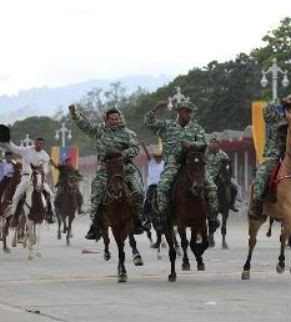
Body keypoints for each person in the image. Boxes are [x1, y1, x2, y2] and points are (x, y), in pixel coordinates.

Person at [69, 105, 144, 240]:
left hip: (125, 169)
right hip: (105, 169)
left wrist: (125, 153)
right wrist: (75, 114)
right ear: (106, 120)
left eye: (117, 119)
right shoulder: (99, 131)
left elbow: (135, 148)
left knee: (138, 191)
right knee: (97, 193)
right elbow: (86, 126)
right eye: (112, 119)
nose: (115, 121)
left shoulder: (128, 134)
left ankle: (139, 220)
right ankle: (95, 226)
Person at [144, 98, 218, 230]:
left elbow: (203, 144)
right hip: (174, 163)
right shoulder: (167, 126)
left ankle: (212, 218)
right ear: (178, 112)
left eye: (191, 112)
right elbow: (148, 123)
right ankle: (164, 217)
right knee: (162, 187)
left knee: (212, 188)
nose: (189, 114)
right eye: (187, 111)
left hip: (193, 165)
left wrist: (192, 145)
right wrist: (156, 108)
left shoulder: (197, 128)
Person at [250, 94, 291, 219]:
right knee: (262, 173)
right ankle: (257, 203)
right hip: (274, 153)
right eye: (290, 107)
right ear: (285, 107)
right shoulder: (277, 117)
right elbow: (266, 111)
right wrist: (281, 100)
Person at [1, 136, 55, 223]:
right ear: (34, 143)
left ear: (43, 145)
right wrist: (8, 141)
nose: (39, 145)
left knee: (51, 195)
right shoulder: (27, 150)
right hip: (26, 177)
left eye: (41, 144)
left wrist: (41, 173)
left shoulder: (45, 155)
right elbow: (15, 148)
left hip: (39, 178)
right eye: (37, 143)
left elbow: (46, 169)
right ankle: (14, 216)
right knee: (16, 196)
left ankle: (50, 214)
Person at [206, 137, 238, 212]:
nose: (213, 145)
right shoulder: (205, 154)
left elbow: (228, 166)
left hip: (219, 176)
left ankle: (231, 204)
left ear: (218, 145)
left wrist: (228, 176)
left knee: (234, 187)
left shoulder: (223, 155)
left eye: (215, 143)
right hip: (206, 177)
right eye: (211, 143)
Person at [141, 143, 165, 233]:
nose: (158, 158)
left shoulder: (164, 164)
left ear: (162, 157)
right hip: (152, 186)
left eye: (159, 157)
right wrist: (144, 147)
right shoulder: (151, 162)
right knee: (147, 201)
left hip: (162, 186)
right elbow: (147, 155)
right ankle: (147, 221)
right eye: (156, 157)